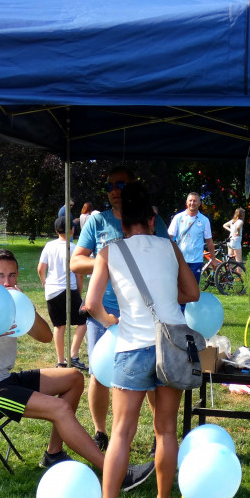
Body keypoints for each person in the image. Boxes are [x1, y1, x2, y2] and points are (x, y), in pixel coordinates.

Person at [0, 248, 155, 487]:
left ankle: (53, 454)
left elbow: (43, 336)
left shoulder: (13, 302)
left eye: (12, 275)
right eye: (0, 275)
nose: (7, 281)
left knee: (74, 377)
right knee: (60, 409)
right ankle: (115, 473)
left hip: (5, 378)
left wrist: (25, 307)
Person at [85, 181, 200, 498]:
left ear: (122, 224)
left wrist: (109, 321)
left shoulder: (109, 251)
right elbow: (192, 292)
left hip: (132, 345)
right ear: (152, 220)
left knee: (121, 432)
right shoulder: (170, 247)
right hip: (172, 343)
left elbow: (91, 304)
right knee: (166, 430)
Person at [72, 166, 170, 451]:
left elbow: (165, 257)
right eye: (110, 185)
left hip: (142, 314)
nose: (115, 190)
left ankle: (157, 435)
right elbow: (76, 262)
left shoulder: (155, 221)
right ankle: (101, 433)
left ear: (134, 187)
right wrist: (109, 261)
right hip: (103, 314)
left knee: (152, 376)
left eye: (122, 185)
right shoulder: (97, 221)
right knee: (99, 374)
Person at [38, 216, 88, 369]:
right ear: (73, 230)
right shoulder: (74, 249)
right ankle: (73, 355)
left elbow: (41, 269)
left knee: (59, 326)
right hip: (68, 289)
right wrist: (78, 292)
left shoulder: (49, 245)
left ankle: (61, 361)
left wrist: (45, 284)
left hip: (52, 290)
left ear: (56, 230)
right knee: (84, 321)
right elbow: (79, 274)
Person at [168, 192, 215, 282]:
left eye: (195, 201)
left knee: (193, 288)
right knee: (179, 286)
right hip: (180, 259)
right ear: (186, 202)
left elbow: (209, 241)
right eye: (190, 200)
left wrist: (213, 259)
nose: (192, 203)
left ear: (199, 203)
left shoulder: (204, 220)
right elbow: (169, 237)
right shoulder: (178, 217)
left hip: (196, 261)